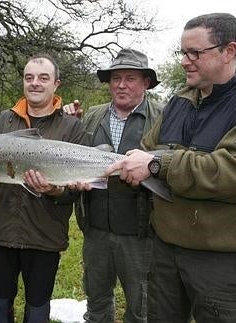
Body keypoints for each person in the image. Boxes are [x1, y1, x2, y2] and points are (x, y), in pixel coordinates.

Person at [104, 13, 236, 322]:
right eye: (183, 52)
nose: (184, 61)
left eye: (195, 53)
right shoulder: (179, 102)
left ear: (229, 51)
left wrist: (156, 163)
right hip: (165, 251)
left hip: (222, 262)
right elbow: (146, 153)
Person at [0, 54, 87, 323]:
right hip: (1, 235)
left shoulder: (72, 127)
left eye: (43, 78)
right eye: (29, 77)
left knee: (37, 310)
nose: (35, 83)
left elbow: (77, 191)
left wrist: (53, 190)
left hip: (45, 237)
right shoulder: (2, 121)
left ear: (56, 84)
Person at [64, 48, 164, 322]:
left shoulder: (163, 117)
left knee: (141, 308)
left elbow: (173, 165)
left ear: (146, 82)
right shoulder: (91, 117)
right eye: (116, 78)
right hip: (96, 230)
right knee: (96, 304)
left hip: (141, 234)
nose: (121, 85)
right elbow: (72, 156)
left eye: (130, 78)